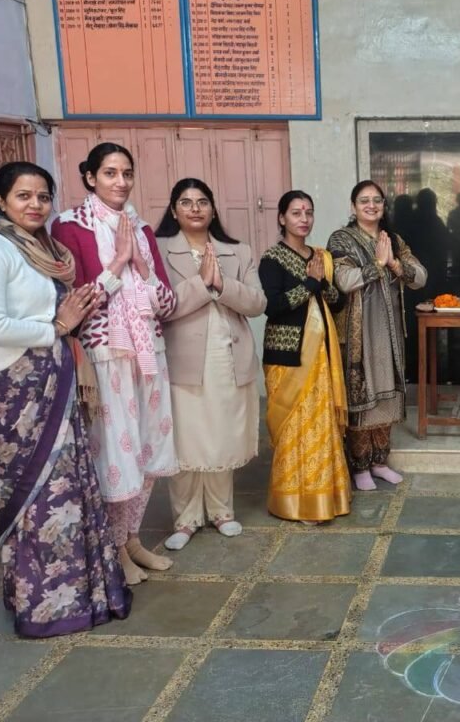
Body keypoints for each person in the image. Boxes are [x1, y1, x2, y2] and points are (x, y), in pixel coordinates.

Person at [0, 162, 131, 636]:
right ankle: (44, 606)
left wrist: (115, 268)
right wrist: (54, 327)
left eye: (42, 196)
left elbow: (76, 306)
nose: (35, 205)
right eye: (23, 196)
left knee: (70, 489)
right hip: (16, 393)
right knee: (37, 496)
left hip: (56, 379)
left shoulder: (44, 250)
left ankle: (86, 594)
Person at [52, 143, 178, 585]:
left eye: (127, 173)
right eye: (110, 173)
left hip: (149, 353)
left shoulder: (141, 229)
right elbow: (80, 303)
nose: (121, 182)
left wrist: (140, 263)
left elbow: (167, 304)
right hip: (105, 354)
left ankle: (133, 540)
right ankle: (113, 548)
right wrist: (119, 262)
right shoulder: (69, 226)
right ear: (90, 177)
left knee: (146, 448)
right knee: (114, 453)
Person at [154, 179, 266, 548]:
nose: (195, 208)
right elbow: (161, 305)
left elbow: (257, 303)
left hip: (227, 355)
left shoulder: (238, 251)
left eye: (202, 201)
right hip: (183, 357)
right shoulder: (158, 250)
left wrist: (221, 286)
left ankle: (221, 511)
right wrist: (202, 285)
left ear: (213, 209)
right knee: (186, 439)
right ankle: (185, 518)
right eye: (186, 202)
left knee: (220, 434)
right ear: (174, 211)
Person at [327, 180, 427, 490]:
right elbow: (344, 280)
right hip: (358, 332)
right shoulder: (341, 239)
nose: (371, 206)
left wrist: (394, 262)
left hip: (389, 330)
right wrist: (377, 264)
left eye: (377, 200)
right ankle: (360, 467)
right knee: (362, 396)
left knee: (387, 393)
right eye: (364, 200)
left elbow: (420, 278)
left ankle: (380, 462)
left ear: (384, 205)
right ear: (353, 206)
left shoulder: (393, 239)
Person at [259, 190, 351, 523]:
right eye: (296, 213)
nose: (304, 219)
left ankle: (324, 498)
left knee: (320, 424)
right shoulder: (272, 258)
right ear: (282, 218)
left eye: (308, 212)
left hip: (320, 355)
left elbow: (337, 302)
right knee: (293, 428)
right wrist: (311, 283)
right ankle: (292, 502)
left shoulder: (320, 256)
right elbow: (273, 306)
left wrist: (321, 283)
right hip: (288, 356)